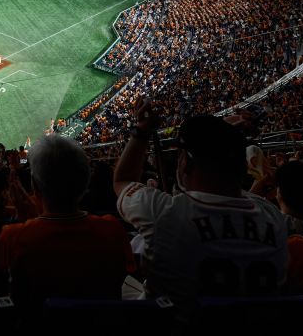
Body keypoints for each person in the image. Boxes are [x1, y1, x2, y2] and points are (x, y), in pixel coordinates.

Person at [113, 110, 288, 299]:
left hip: (173, 317)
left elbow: (122, 180)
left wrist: (142, 131)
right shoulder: (273, 217)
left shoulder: (163, 212)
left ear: (186, 163)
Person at [0, 134, 134, 307]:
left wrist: (23, 219)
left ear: (34, 186)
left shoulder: (12, 237)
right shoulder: (112, 229)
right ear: (85, 181)